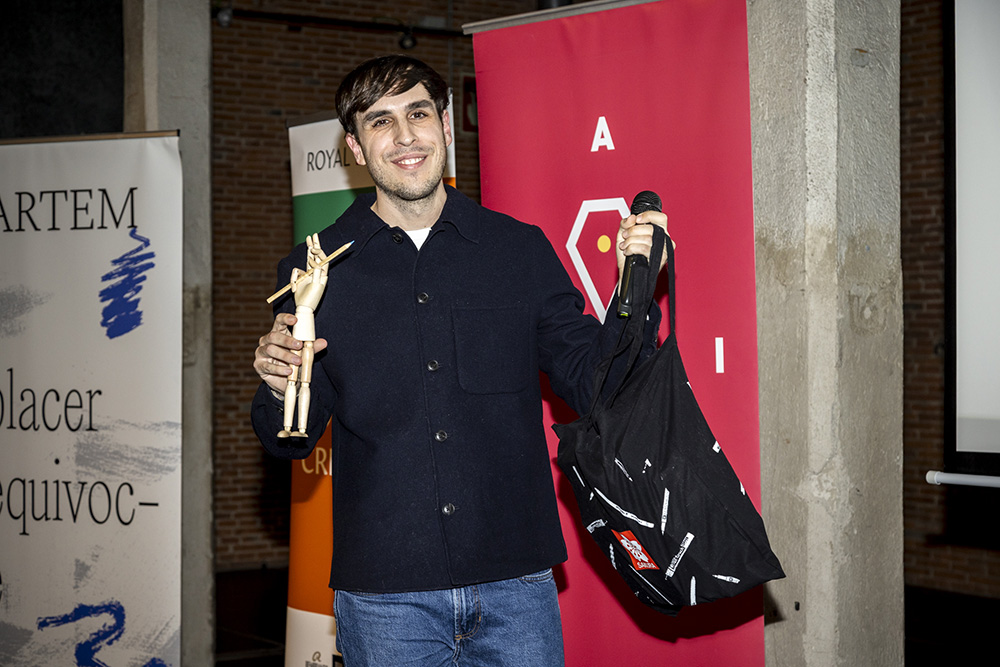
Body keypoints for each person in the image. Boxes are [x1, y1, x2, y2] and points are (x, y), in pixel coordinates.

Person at [251, 55, 669, 667]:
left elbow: (595, 385)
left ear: (445, 125)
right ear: (355, 148)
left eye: (418, 114)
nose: (404, 137)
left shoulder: (517, 250)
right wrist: (276, 383)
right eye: (380, 122)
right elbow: (291, 437)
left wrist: (636, 290)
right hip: (384, 595)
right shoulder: (315, 269)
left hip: (516, 584)